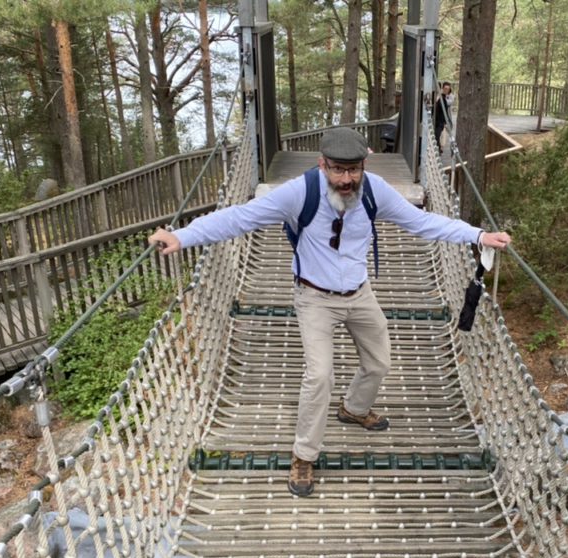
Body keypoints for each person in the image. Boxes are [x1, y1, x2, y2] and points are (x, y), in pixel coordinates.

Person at [149, 127, 510, 497]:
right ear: (322, 165)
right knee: (319, 376)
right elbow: (239, 218)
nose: (346, 179)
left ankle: (353, 408)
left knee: (379, 361)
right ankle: (304, 455)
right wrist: (183, 236)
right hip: (314, 298)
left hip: (359, 293)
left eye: (353, 170)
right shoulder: (298, 193)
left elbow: (422, 222)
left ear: (364, 166)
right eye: (338, 170)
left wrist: (477, 236)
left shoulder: (375, 190)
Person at [433, 82, 453, 150]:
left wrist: (446, 122)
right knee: (437, 136)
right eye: (445, 89)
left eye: (448, 89)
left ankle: (440, 149)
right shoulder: (440, 97)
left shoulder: (444, 97)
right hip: (438, 121)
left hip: (441, 122)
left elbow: (450, 102)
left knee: (439, 136)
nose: (446, 90)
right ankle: (439, 149)